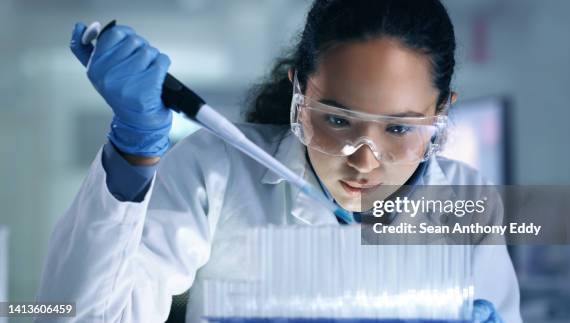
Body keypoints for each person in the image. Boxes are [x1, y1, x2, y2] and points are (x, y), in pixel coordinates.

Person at [37, 0, 521, 322]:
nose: (364, 163)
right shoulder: (218, 170)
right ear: (300, 93)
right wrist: (133, 152)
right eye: (337, 121)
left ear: (441, 113)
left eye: (398, 129)